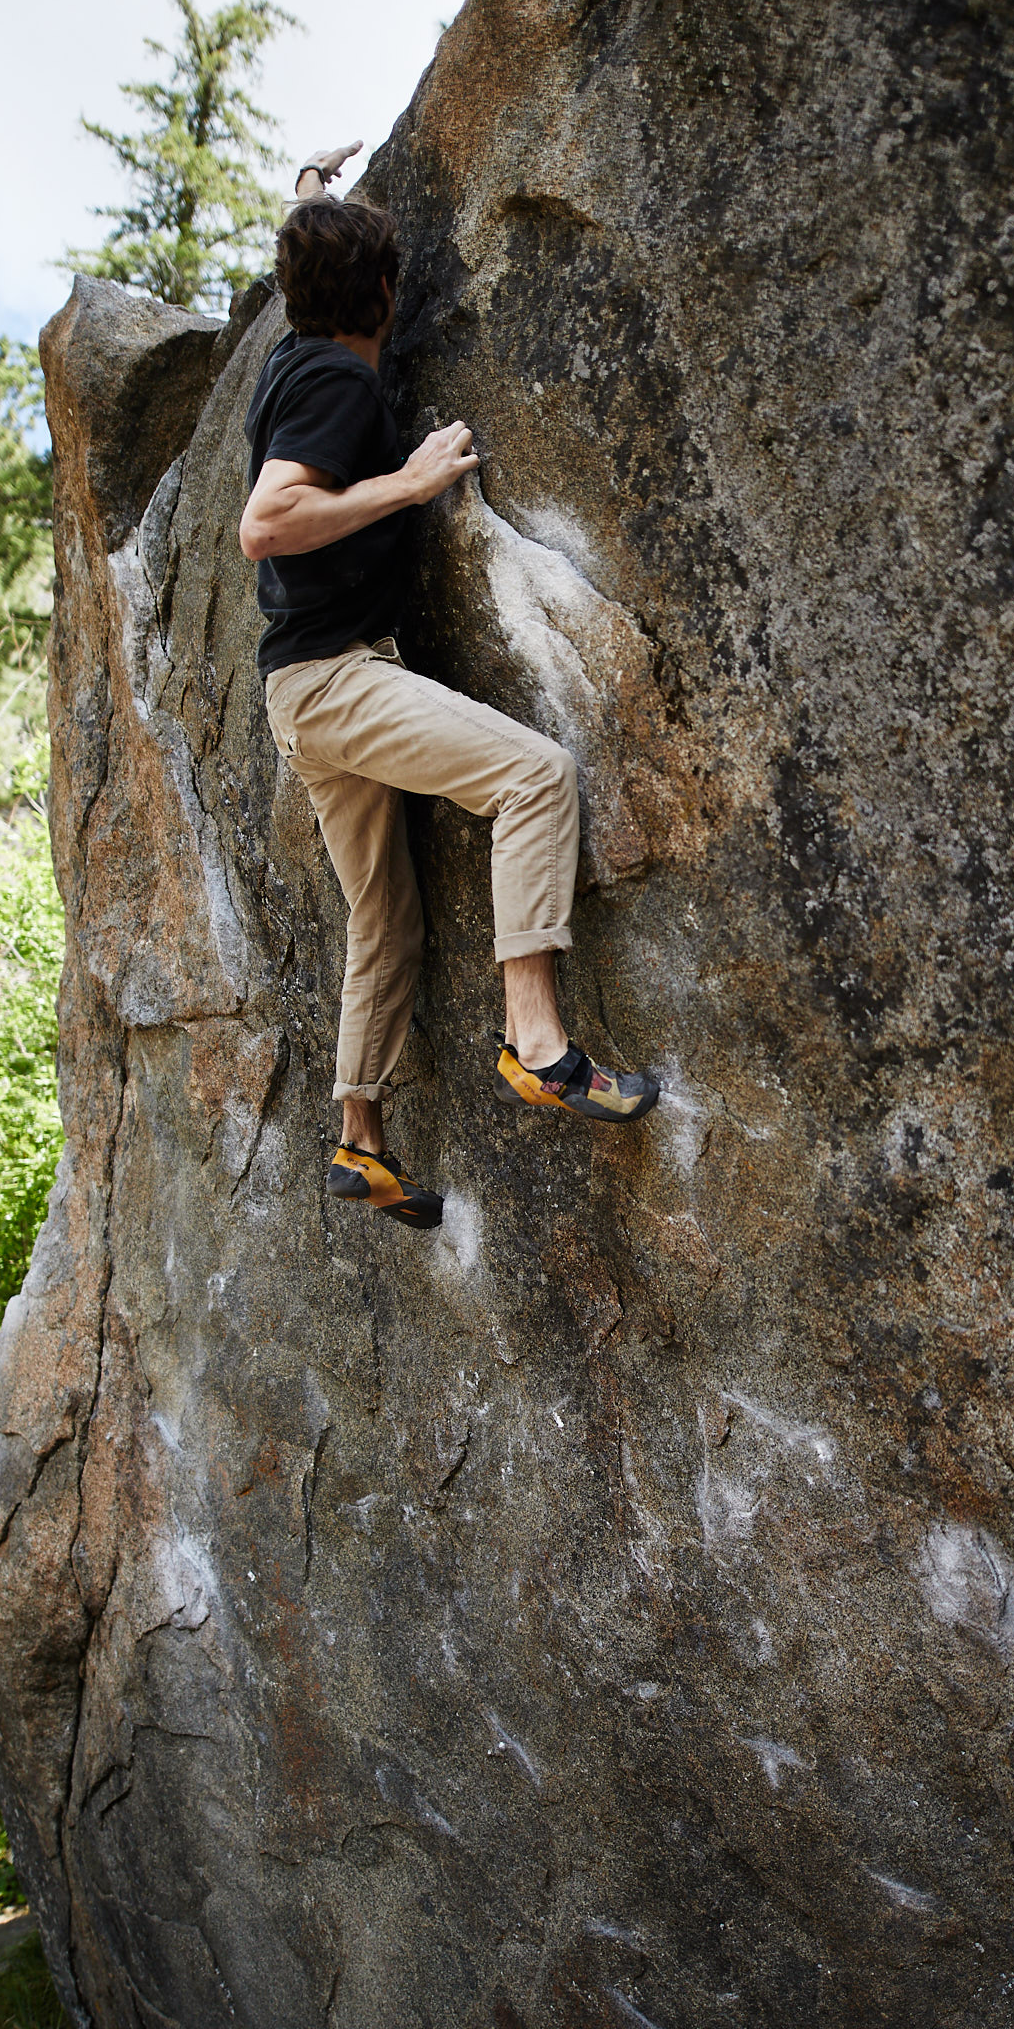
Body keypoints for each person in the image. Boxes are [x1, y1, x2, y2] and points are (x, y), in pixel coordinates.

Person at [239, 149, 659, 1233]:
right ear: (378, 296)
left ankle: (359, 1141)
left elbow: (311, 280)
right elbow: (265, 523)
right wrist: (412, 482)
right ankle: (537, 1042)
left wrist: (311, 203)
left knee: (383, 921)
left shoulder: (290, 361)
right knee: (534, 776)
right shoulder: (335, 376)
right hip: (337, 681)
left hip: (302, 699)